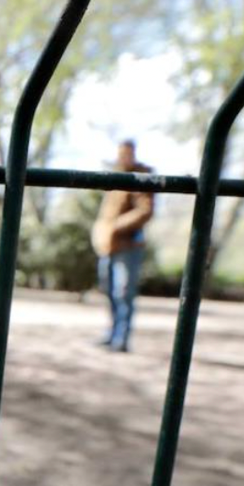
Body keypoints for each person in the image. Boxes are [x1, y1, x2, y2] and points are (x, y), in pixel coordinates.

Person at [91, 140, 155, 353]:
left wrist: (116, 227)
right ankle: (111, 334)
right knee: (109, 291)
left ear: (133, 154)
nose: (123, 157)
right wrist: (101, 231)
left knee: (123, 292)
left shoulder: (140, 177)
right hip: (107, 245)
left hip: (128, 245)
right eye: (121, 153)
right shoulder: (115, 178)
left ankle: (122, 338)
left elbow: (145, 211)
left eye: (127, 153)